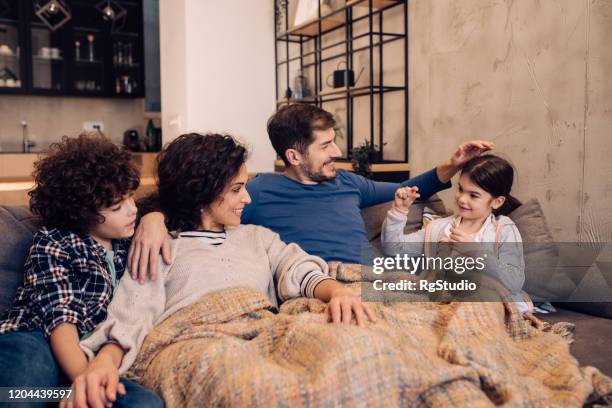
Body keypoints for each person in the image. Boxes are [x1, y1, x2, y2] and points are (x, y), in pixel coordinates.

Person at [66, 133, 375, 408]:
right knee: (248, 384)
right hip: (196, 343)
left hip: (267, 331)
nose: (248, 198)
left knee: (351, 349)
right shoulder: (163, 246)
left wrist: (338, 291)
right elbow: (134, 308)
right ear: (203, 192)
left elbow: (297, 267)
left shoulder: (257, 237)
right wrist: (103, 363)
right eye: (237, 188)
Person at [129, 104, 494, 281]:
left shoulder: (348, 182)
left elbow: (407, 189)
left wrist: (452, 163)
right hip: (317, 286)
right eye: (326, 146)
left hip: (378, 279)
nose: (337, 153)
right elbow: (195, 200)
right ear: (294, 155)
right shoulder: (256, 192)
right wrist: (153, 218)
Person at [0, 134, 163, 408]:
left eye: (131, 198)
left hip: (94, 349)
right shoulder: (54, 242)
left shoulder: (128, 243)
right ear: (81, 212)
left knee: (146, 404)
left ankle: (61, 395)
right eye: (116, 206)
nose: (132, 210)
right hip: (39, 339)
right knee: (22, 390)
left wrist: (155, 217)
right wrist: (84, 381)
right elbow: (60, 320)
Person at [381, 154, 532, 314]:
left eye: (473, 195)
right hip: (441, 303)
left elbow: (514, 281)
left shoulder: (504, 230)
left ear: (497, 202)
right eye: (460, 189)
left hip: (485, 305)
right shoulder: (439, 228)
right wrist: (399, 210)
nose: (461, 199)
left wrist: (475, 252)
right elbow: (395, 250)